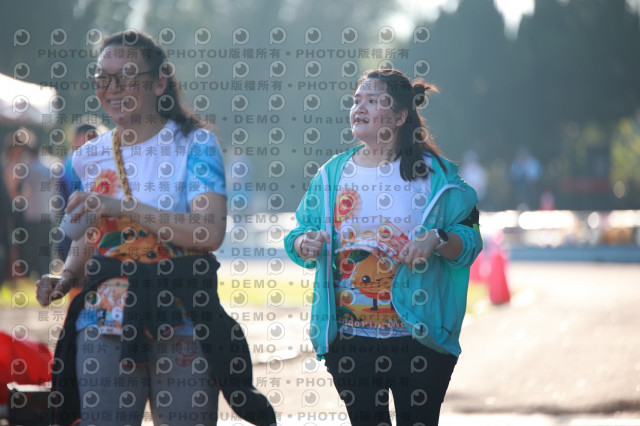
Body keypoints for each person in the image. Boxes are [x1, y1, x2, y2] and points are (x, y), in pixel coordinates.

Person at [36, 30, 275, 426]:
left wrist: (123, 207)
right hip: (104, 320)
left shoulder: (195, 145)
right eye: (103, 78)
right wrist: (65, 278)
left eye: (126, 77)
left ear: (159, 82)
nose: (112, 88)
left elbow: (208, 232)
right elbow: (89, 237)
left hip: (182, 317)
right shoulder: (88, 156)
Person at [285, 69, 483, 426]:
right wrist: (304, 242)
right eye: (356, 100)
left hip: (420, 341)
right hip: (350, 342)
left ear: (400, 116)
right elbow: (298, 232)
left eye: (373, 101)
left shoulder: (437, 176)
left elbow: (469, 242)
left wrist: (436, 239)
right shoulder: (332, 174)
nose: (359, 108)